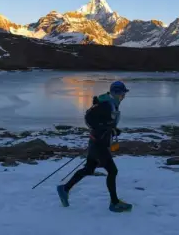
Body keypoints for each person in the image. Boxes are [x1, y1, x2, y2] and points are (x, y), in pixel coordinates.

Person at [57, 81, 132, 213]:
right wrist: (106, 129)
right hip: (99, 144)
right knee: (112, 171)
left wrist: (112, 129)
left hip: (96, 142)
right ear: (115, 93)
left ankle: (65, 189)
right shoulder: (106, 105)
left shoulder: (110, 104)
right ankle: (114, 203)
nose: (123, 96)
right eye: (122, 93)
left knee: (89, 169)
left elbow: (103, 122)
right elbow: (91, 120)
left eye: (124, 94)